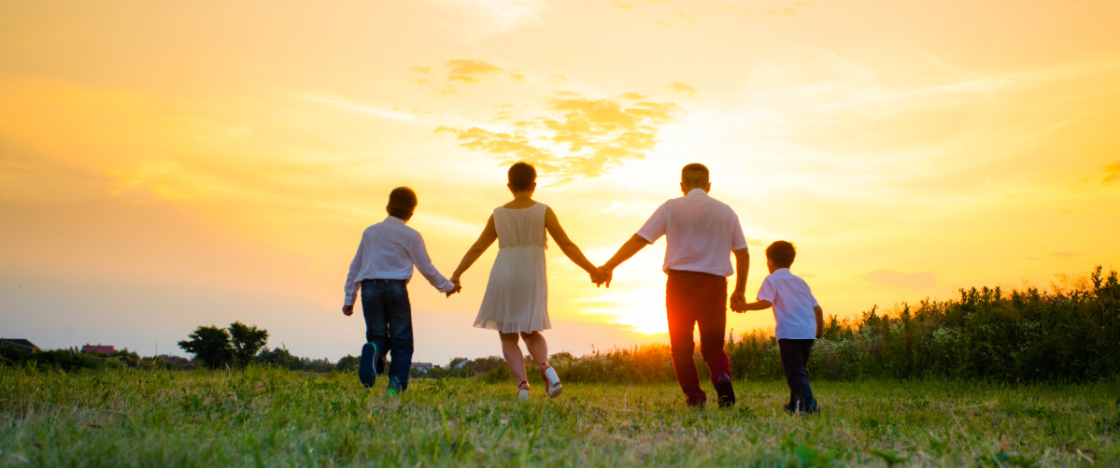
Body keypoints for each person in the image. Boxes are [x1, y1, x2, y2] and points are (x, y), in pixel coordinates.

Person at [450, 162, 607, 400]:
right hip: (532, 274)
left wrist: (457, 274)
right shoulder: (543, 211)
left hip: (503, 273)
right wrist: (591, 269)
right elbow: (567, 245)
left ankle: (523, 385)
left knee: (507, 336)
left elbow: (478, 247)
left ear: (509, 186)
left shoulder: (499, 214)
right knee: (531, 331)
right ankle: (545, 367)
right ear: (534, 185)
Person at [599, 163, 749, 408]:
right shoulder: (726, 212)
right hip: (715, 284)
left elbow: (640, 239)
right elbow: (742, 253)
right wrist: (739, 290)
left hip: (680, 284)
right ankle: (722, 376)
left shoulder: (671, 207)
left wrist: (609, 265)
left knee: (681, 348)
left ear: (682, 186)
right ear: (709, 186)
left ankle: (696, 397)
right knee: (713, 346)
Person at [342, 187, 460, 395]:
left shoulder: (370, 232)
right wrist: (447, 287)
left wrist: (349, 298)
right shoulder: (411, 235)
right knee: (402, 341)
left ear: (387, 208)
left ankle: (376, 351)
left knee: (377, 336)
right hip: (395, 288)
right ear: (411, 214)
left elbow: (355, 266)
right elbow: (426, 268)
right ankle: (394, 388)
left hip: (369, 288)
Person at [731, 240, 823, 414]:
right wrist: (818, 332)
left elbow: (766, 303)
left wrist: (743, 306)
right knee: (799, 369)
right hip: (808, 333)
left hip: (789, 334)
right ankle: (793, 405)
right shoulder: (801, 282)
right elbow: (817, 309)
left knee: (794, 374)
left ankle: (809, 406)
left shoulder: (772, 280)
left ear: (770, 261)